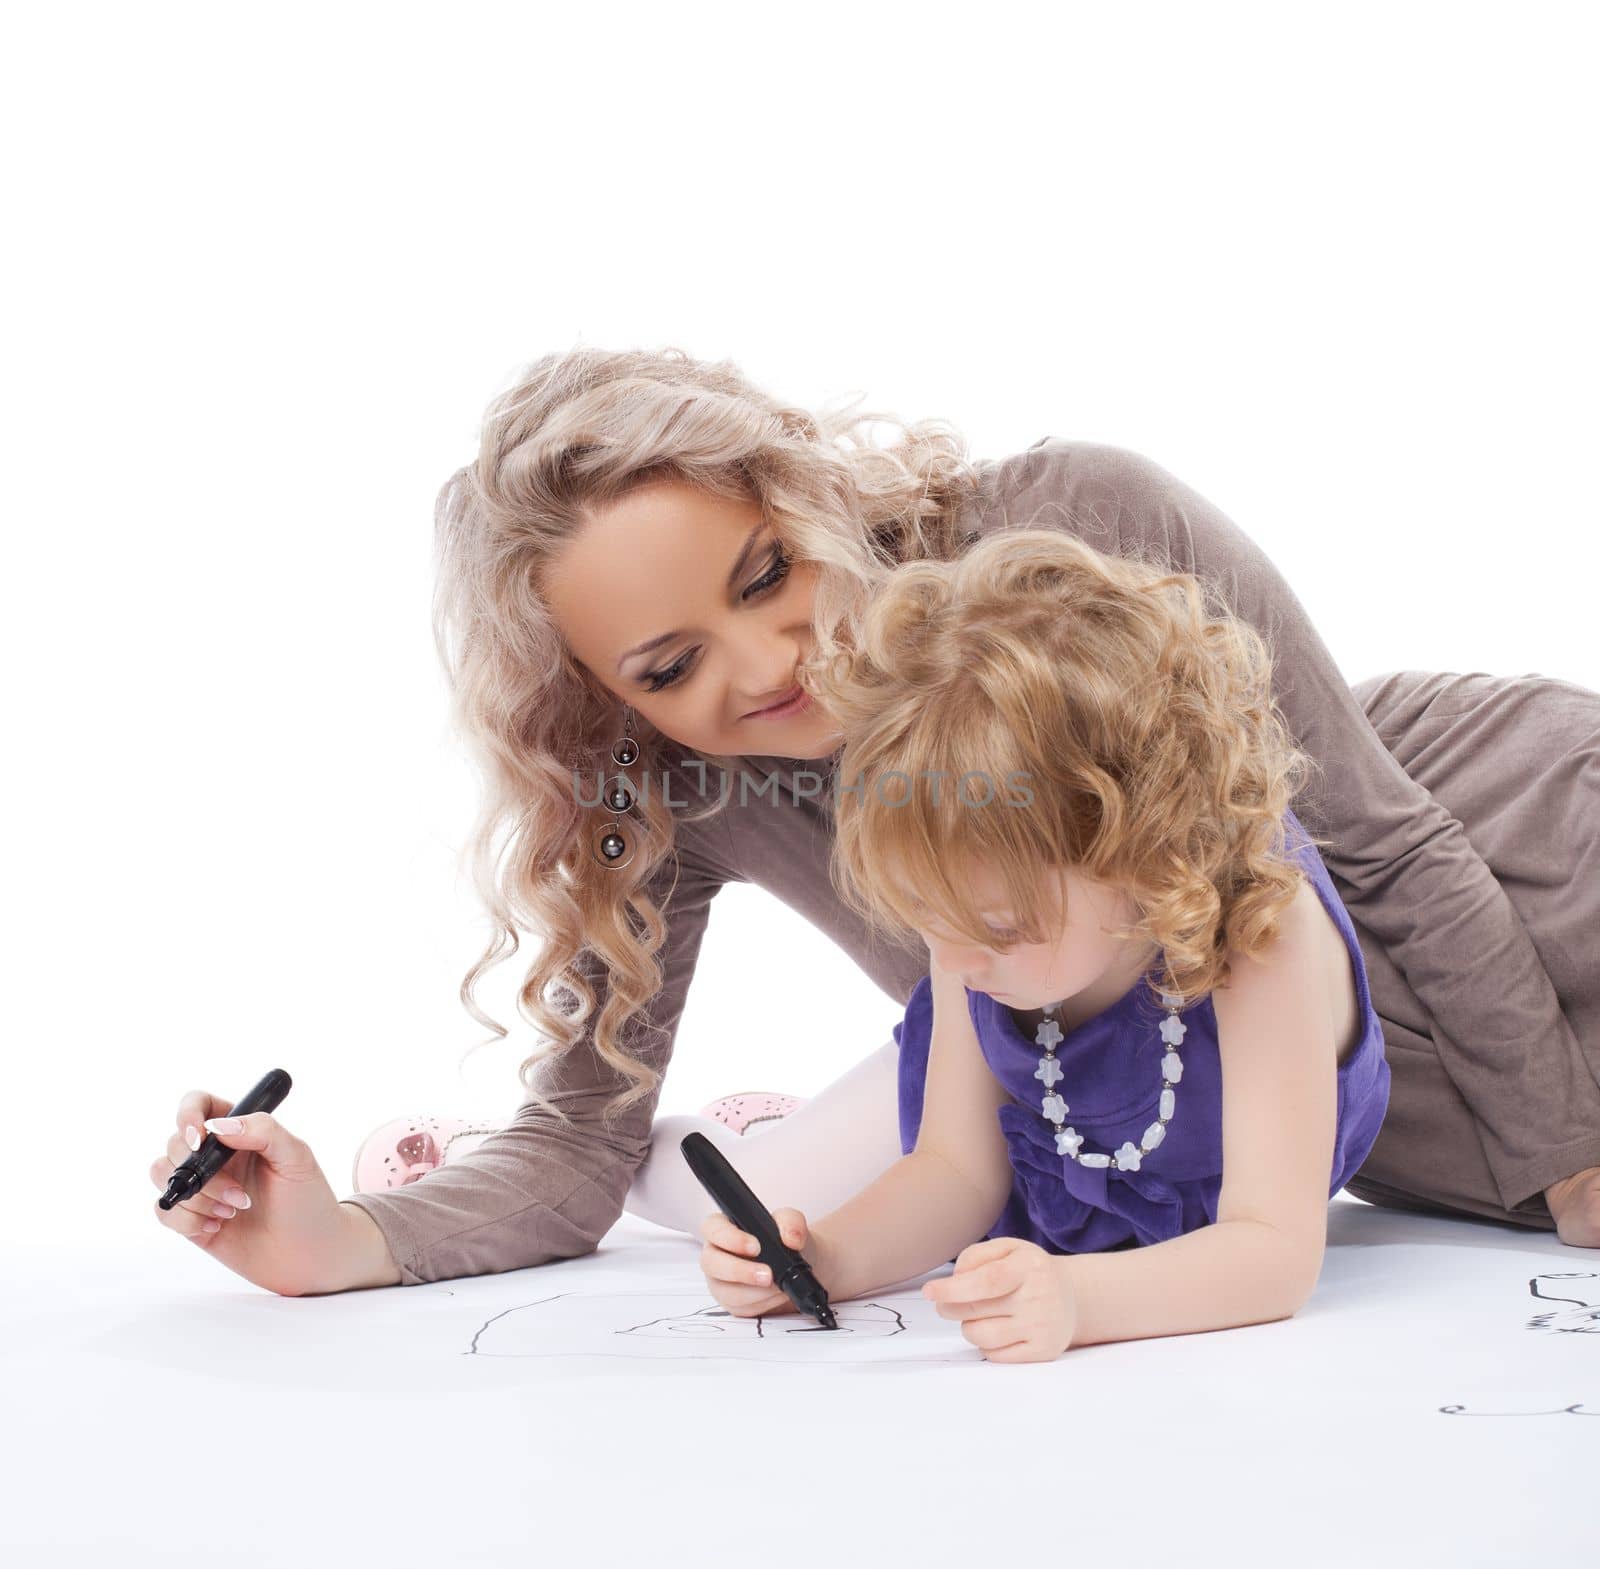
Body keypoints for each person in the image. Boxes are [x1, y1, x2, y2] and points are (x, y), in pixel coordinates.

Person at [147, 345, 1600, 1298]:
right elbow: (583, 1142)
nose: (770, 661)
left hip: (1505, 857)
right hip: (1260, 1060)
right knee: (760, 1193)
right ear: (604, 702)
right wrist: (343, 1242)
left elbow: (1387, 839)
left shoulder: (1077, 517)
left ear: (804, 492)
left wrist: (1559, 1160)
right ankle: (766, 1128)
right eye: (670, 667)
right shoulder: (671, 794)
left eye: (769, 572)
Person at [697, 529, 1391, 1360]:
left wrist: (1078, 1298)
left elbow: (1274, 1251)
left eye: (995, 928)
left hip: (1144, 1164)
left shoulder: (1258, 930)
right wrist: (825, 1258)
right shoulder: (977, 930)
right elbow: (956, 1172)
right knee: (756, 1186)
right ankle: (739, 1137)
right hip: (1050, 1152)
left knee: (816, 1155)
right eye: (925, 914)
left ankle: (781, 1130)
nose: (950, 965)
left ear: (1141, 853)